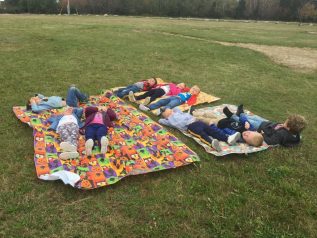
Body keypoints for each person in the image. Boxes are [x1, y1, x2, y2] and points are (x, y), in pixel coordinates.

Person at [158, 108, 241, 152]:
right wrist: (165, 115)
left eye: (168, 109)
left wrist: (172, 111)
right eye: (166, 111)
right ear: (165, 116)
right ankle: (211, 143)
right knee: (201, 134)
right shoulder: (169, 120)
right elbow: (160, 121)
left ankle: (228, 139)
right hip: (190, 126)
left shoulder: (177, 112)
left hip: (197, 121)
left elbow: (176, 109)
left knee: (212, 130)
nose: (168, 110)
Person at [223, 105, 307, 147]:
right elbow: (297, 137)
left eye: (286, 121)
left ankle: (232, 116)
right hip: (267, 124)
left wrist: (262, 134)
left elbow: (270, 141)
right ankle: (240, 113)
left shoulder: (282, 135)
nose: (284, 121)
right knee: (254, 117)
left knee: (248, 121)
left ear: (288, 128)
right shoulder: (296, 134)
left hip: (261, 127)